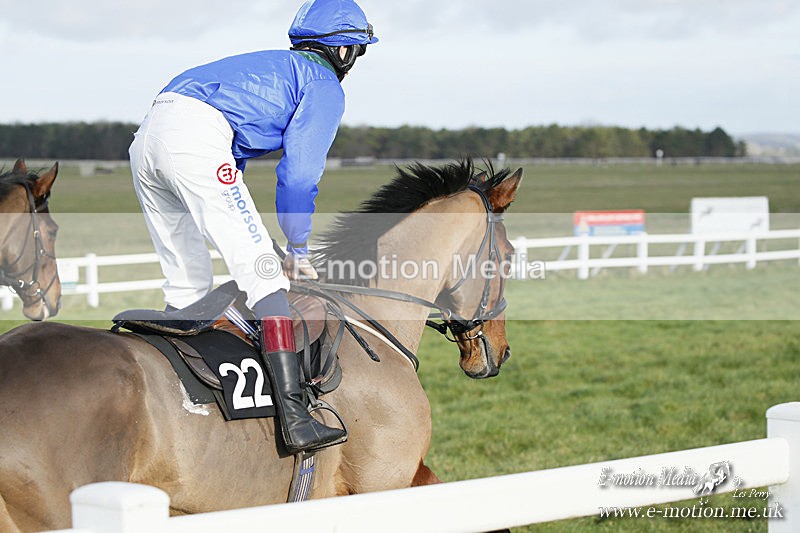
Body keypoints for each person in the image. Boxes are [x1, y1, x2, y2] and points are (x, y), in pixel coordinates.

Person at [128, 0, 377, 454]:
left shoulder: (271, 66)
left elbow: (232, 163)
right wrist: (296, 248)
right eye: (358, 51)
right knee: (265, 274)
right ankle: (297, 419)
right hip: (196, 138)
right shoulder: (323, 84)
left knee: (186, 286)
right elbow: (299, 176)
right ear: (344, 50)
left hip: (147, 136)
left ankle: (191, 401)